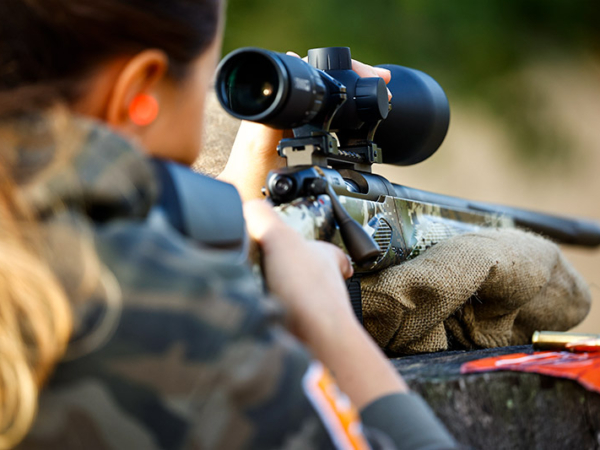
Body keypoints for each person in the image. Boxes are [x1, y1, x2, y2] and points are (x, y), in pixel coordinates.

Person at [0, 1, 461, 448]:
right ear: (140, 92)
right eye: (203, 82)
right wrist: (330, 323)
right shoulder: (190, 323)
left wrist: (231, 199)